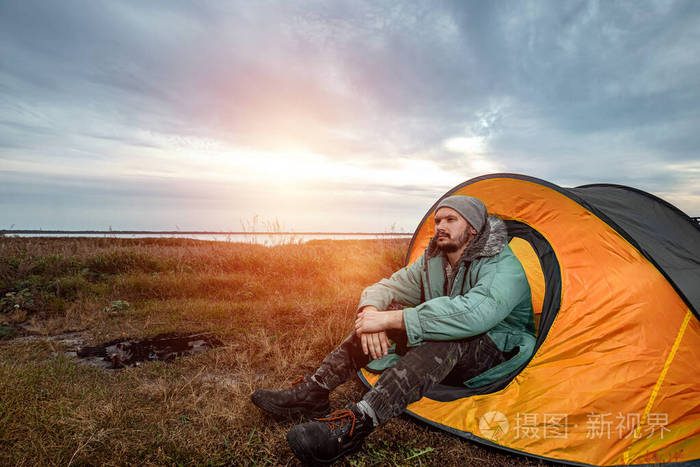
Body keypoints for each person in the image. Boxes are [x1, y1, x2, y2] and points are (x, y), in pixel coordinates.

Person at [251, 195, 535, 465]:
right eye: (438, 221)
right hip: (453, 348)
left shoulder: (501, 265)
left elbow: (473, 315)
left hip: (497, 351)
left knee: (449, 332)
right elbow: (386, 287)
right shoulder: (434, 261)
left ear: (472, 228)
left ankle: (358, 424)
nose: (440, 227)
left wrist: (391, 320)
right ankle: (314, 392)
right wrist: (372, 313)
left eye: (451, 220)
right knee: (388, 317)